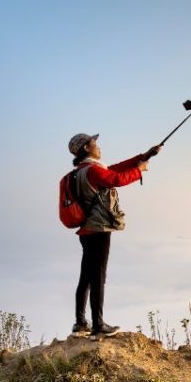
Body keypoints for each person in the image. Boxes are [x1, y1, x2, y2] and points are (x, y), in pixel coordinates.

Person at [67, 133, 162, 337]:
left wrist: (144, 155)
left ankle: (80, 323)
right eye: (95, 143)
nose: (98, 146)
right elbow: (117, 179)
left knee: (86, 276)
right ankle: (98, 326)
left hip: (86, 230)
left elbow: (114, 169)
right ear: (86, 148)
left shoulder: (79, 172)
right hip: (99, 228)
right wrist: (139, 170)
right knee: (98, 276)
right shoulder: (93, 170)